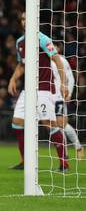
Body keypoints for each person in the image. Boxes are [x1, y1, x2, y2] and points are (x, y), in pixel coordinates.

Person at [8, 12, 69, 171]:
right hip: (27, 89)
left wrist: (63, 83)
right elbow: (22, 65)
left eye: (27, 18)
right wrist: (13, 79)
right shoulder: (20, 42)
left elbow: (57, 60)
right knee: (17, 123)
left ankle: (64, 163)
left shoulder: (42, 38)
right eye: (22, 18)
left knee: (49, 124)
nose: (24, 21)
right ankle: (24, 161)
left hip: (44, 89)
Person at [50, 47, 82, 159]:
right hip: (48, 97)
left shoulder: (62, 60)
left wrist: (69, 93)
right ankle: (65, 153)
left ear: (58, 48)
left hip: (59, 96)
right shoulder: (43, 60)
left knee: (61, 124)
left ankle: (78, 147)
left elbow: (71, 78)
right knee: (56, 125)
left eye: (54, 45)